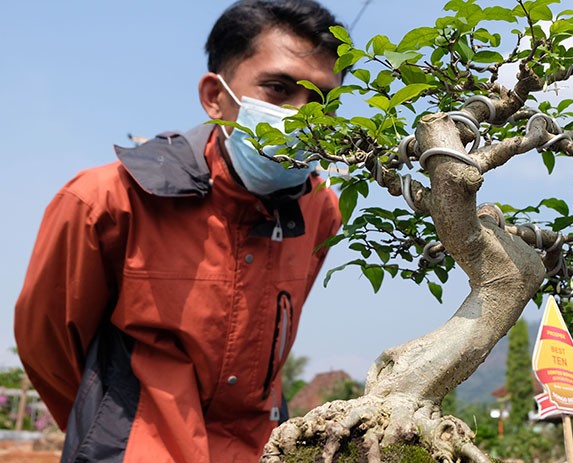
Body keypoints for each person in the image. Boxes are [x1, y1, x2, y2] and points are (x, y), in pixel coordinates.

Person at [14, 1, 344, 461]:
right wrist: (114, 433)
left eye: (322, 101)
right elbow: (48, 347)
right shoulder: (105, 200)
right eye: (278, 88)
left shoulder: (320, 210)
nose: (303, 116)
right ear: (215, 95)